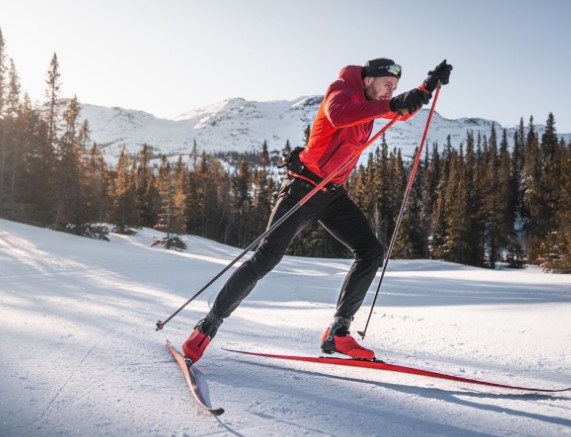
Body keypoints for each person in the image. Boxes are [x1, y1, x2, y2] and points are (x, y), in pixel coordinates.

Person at [182, 58, 453, 362]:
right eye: (387, 85)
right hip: (303, 188)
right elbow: (339, 116)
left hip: (332, 195)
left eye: (394, 88)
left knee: (370, 251)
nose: (389, 92)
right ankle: (206, 327)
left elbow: (399, 111)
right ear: (368, 79)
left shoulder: (373, 103)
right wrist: (396, 103)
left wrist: (427, 86)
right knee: (264, 260)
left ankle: (338, 332)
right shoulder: (341, 91)